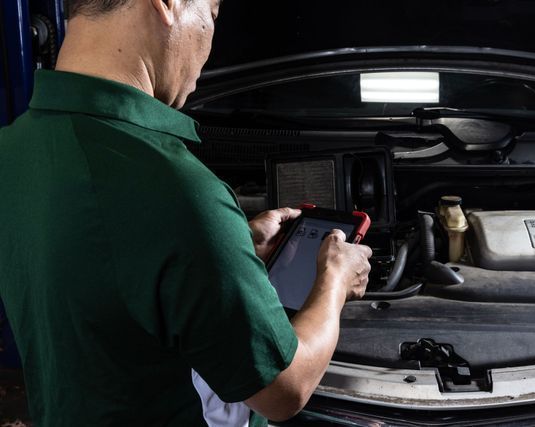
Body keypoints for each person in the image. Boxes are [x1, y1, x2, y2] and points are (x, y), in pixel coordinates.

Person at [0, 0, 372, 426]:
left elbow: (99, 272)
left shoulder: (12, 150)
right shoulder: (174, 188)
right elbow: (286, 390)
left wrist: (229, 245)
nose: (208, 47)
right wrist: (334, 281)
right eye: (212, 15)